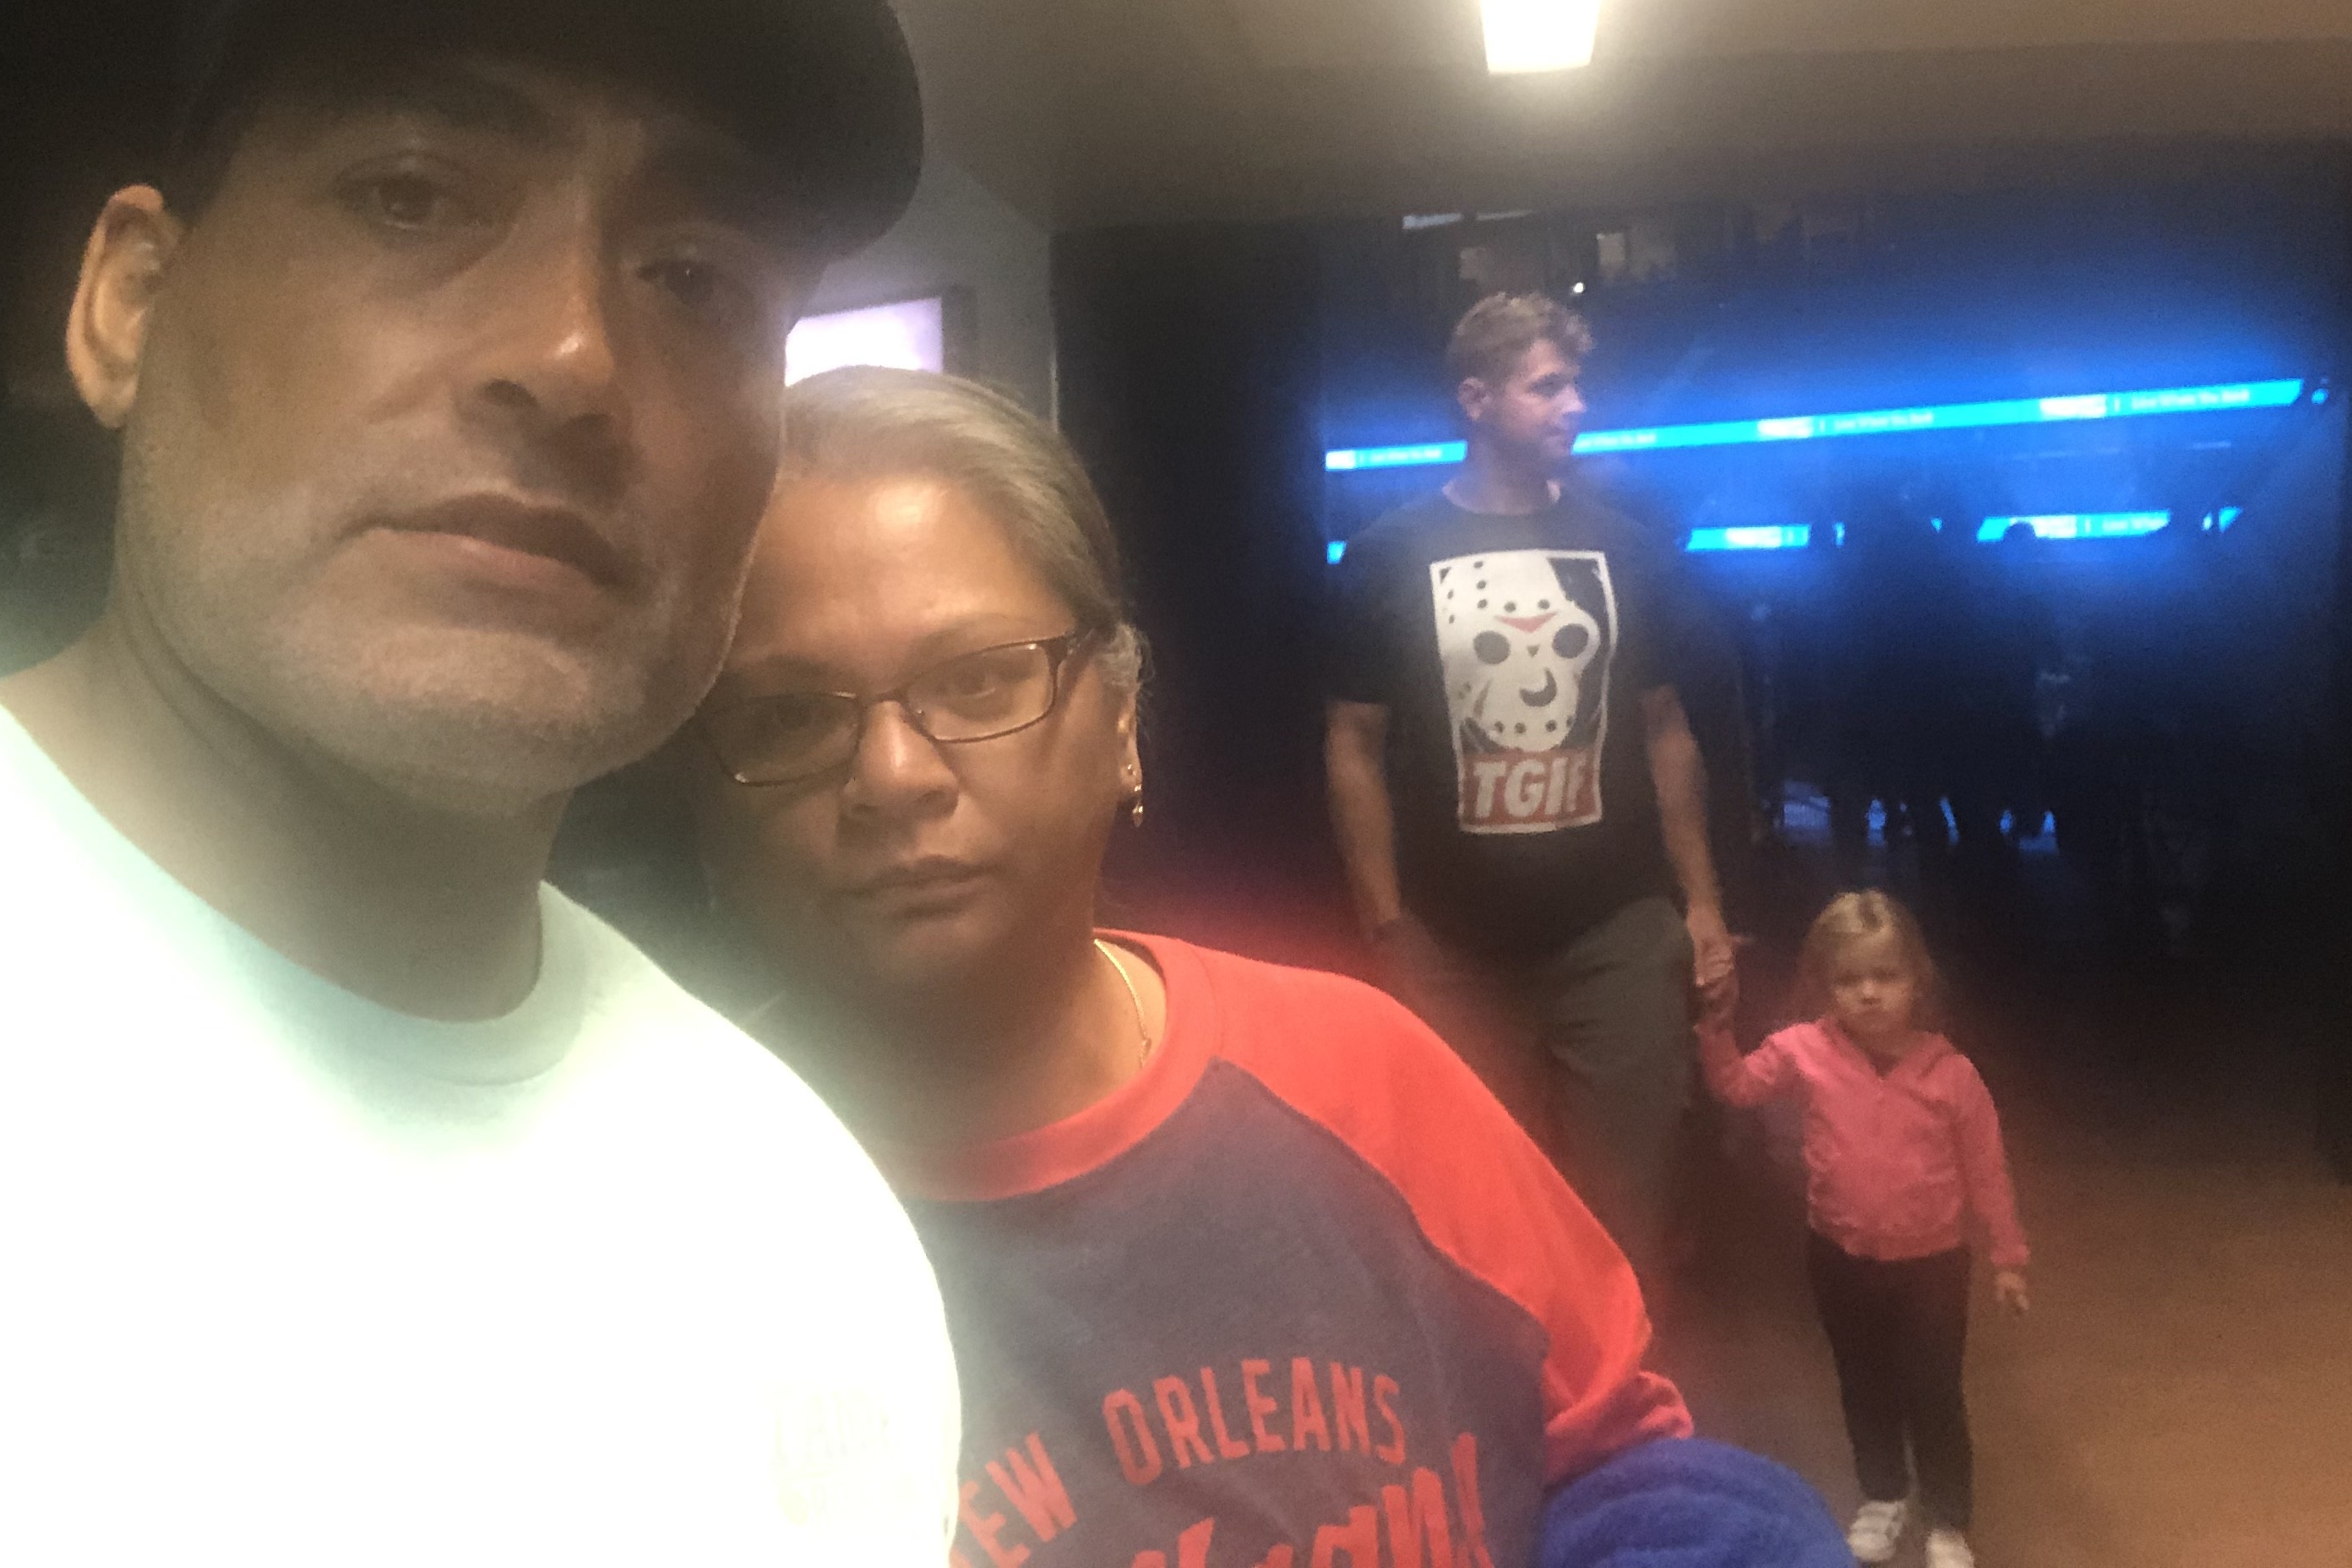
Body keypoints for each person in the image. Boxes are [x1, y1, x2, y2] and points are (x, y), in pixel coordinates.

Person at [0, 0, 961, 1563]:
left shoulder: (807, 1240)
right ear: (130, 305)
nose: (570, 356)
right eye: (410, 195)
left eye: (698, 281)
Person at [687, 368, 1847, 1568]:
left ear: (1121, 719)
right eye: (790, 715)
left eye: (978, 679)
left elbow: (1609, 1455)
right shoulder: (656, 1226)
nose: (891, 776)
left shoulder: (1357, 1077)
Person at [1322, 291, 1733, 1287]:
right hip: (1454, 943)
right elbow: (1352, 744)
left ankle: (1617, 1381)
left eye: (1576, 384)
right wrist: (1386, 924)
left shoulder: (1625, 545)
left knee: (1626, 1213)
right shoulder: (1388, 554)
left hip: (1616, 932)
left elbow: (1666, 731)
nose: (1575, 405)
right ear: (1476, 399)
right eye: (1548, 386)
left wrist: (1703, 906)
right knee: (1473, 1210)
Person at [1696, 892, 2030, 1568]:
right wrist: (1716, 1027)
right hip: (1838, 1258)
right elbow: (1737, 1086)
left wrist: (2008, 1254)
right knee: (1863, 1380)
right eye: (1849, 980)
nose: (1869, 993)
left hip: (1933, 1265)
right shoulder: (1802, 1051)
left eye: (1886, 976)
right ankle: (1883, 1493)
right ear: (1824, 986)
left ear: (1917, 981)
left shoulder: (1952, 1076)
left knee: (1934, 1390)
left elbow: (1986, 1168)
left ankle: (1948, 1518)